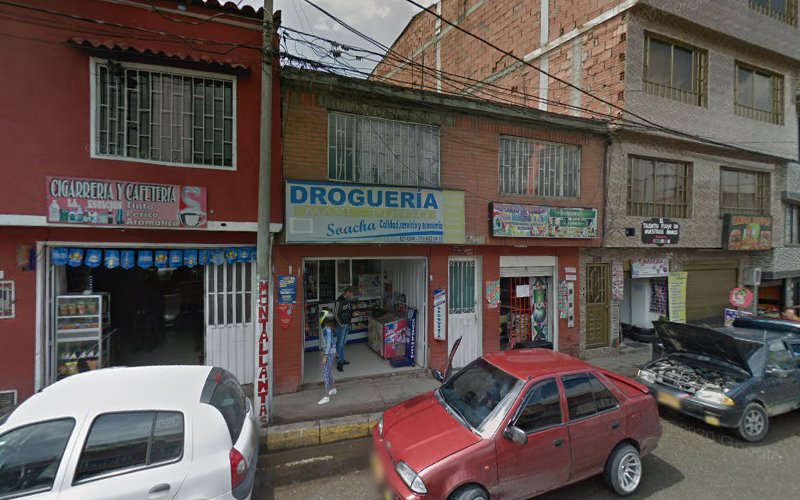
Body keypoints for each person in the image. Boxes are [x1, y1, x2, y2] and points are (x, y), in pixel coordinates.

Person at [334, 286, 355, 372]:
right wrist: (341, 324)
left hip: (346, 325)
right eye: (351, 293)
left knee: (342, 344)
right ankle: (339, 363)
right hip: (341, 326)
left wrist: (349, 323)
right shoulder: (339, 301)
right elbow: (336, 314)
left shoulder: (347, 300)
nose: (352, 295)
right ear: (347, 292)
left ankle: (342, 359)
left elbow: (348, 312)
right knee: (340, 344)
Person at [318, 317, 337, 405]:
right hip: (331, 352)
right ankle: (333, 388)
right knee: (329, 371)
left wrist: (325, 356)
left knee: (326, 373)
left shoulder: (327, 330)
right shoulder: (329, 329)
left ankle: (326, 397)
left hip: (329, 353)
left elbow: (329, 344)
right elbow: (333, 342)